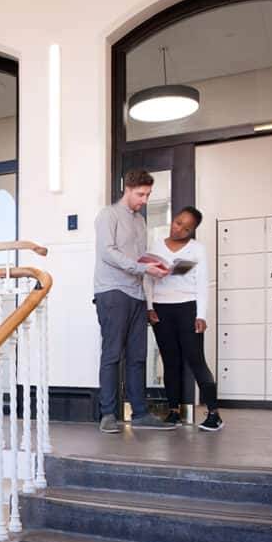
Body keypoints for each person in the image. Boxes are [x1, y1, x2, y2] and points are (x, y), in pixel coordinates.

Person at [94, 169, 173, 433]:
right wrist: (143, 269)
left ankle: (139, 413)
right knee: (112, 355)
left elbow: (139, 258)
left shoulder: (140, 221)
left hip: (137, 293)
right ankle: (107, 415)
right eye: (140, 194)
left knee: (138, 356)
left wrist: (156, 265)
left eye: (148, 194)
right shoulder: (108, 215)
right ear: (127, 189)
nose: (144, 199)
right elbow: (108, 253)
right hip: (112, 291)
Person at [146, 206, 223, 432]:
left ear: (192, 231)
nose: (179, 229)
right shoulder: (156, 246)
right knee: (170, 362)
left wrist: (201, 315)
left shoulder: (197, 249)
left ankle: (214, 414)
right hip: (162, 309)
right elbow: (147, 279)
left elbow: (202, 284)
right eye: (178, 222)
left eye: (186, 228)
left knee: (196, 360)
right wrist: (150, 307)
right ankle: (173, 412)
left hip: (188, 308)